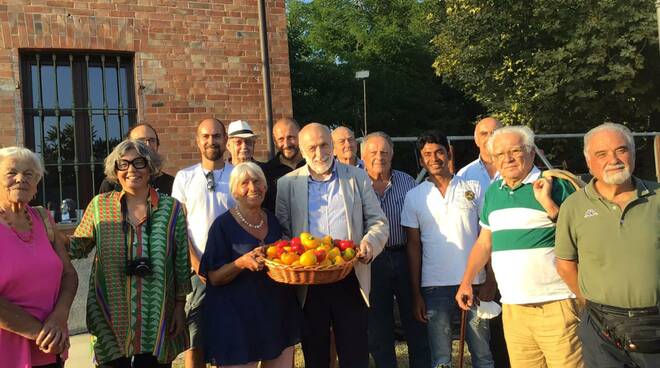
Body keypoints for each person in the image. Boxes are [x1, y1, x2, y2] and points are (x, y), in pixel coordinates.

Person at [456, 126, 583, 368]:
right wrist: (466, 281)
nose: (508, 158)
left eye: (515, 150)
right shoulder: (494, 192)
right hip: (514, 307)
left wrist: (548, 204)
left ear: (532, 153)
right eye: (501, 154)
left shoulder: (555, 185)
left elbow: (580, 233)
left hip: (557, 303)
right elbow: (484, 242)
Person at [275, 122, 388, 368]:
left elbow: (378, 221)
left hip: (349, 275)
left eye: (324, 145)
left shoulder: (357, 178)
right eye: (312, 148)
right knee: (316, 355)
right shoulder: (286, 184)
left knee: (355, 353)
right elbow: (283, 235)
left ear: (333, 146)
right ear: (302, 152)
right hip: (309, 283)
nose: (319, 153)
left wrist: (369, 243)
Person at [70, 140, 191, 367]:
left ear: (151, 167)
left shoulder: (171, 208)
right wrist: (43, 231)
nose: (131, 170)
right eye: (123, 164)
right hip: (110, 311)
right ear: (115, 171)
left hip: (157, 311)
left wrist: (179, 306)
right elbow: (78, 247)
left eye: (139, 163)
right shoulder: (100, 205)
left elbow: (181, 260)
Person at [555, 122, 659, 368]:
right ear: (589, 161)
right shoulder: (574, 205)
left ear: (633, 155)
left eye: (621, 150)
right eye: (601, 154)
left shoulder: (656, 198)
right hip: (601, 327)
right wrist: (591, 304)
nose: (613, 159)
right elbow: (565, 263)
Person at [401, 130, 494, 368]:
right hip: (434, 287)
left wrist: (489, 280)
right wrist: (416, 294)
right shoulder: (414, 196)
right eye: (427, 155)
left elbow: (488, 237)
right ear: (421, 160)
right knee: (441, 359)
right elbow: (413, 248)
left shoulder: (474, 187)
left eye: (439, 152)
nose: (434, 158)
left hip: (474, 281)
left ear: (449, 152)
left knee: (482, 355)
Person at [199, 162, 302, 367]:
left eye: (257, 182)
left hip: (275, 313)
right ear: (234, 191)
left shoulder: (272, 220)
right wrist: (241, 262)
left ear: (265, 187)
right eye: (244, 183)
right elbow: (214, 277)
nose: (252, 188)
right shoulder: (222, 226)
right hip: (237, 319)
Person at [0, 147, 78, 368]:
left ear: (36, 184)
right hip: (8, 352)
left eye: (29, 174)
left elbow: (69, 275)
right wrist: (41, 333)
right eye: (11, 173)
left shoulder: (43, 219)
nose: (20, 179)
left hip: (50, 350)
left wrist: (59, 317)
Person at [362, 132, 431, 368]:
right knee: (378, 326)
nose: (379, 156)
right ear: (363, 155)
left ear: (392, 154)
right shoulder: (355, 183)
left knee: (415, 320)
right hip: (372, 261)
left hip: (404, 256)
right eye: (373, 152)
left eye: (384, 152)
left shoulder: (408, 182)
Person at [171, 117, 235, 368]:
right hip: (196, 270)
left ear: (225, 140)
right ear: (198, 141)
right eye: (206, 136)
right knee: (194, 339)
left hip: (231, 268)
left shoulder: (238, 175)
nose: (212, 141)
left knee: (228, 336)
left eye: (217, 136)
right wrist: (195, 261)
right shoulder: (184, 177)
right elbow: (178, 227)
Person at [456, 117, 509, 368]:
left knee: (512, 330)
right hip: (483, 261)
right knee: (488, 334)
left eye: (495, 132)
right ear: (476, 139)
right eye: (484, 133)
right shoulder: (464, 175)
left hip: (514, 258)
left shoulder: (515, 168)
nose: (490, 137)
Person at [99, 123, 175, 195]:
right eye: (141, 141)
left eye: (152, 140)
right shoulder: (111, 184)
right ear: (128, 144)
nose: (147, 145)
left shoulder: (171, 183)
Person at [261, 117, 305, 212]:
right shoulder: (266, 172)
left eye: (291, 137)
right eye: (281, 139)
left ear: (300, 136)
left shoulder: (312, 166)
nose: (286, 144)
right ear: (274, 141)